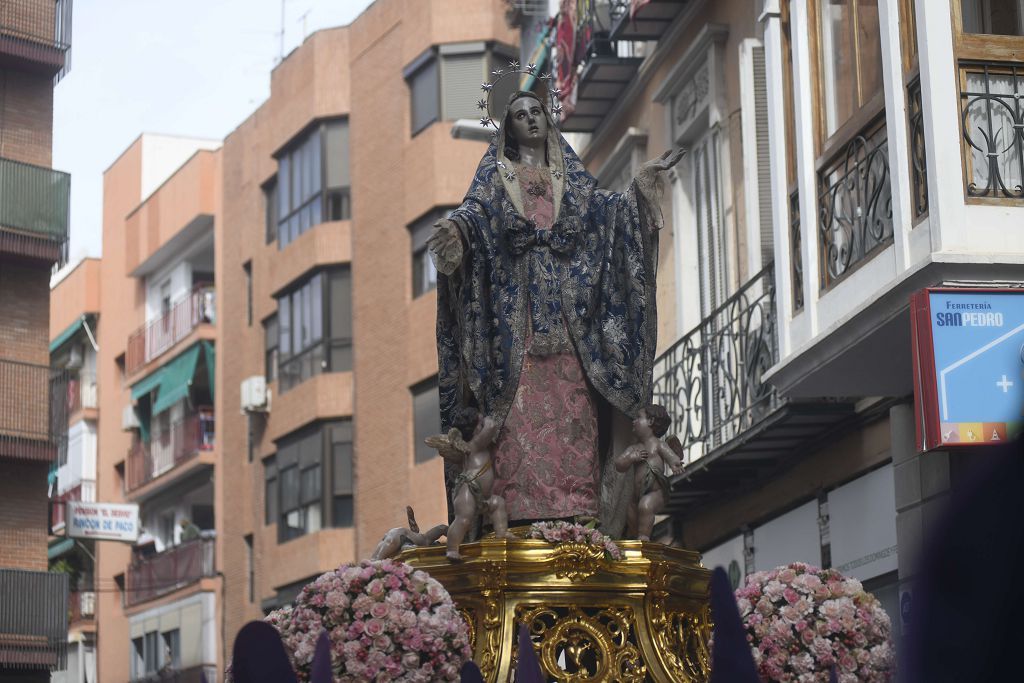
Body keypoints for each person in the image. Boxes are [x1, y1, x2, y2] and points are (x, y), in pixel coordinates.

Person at [429, 89, 683, 536]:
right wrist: (456, 231)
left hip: (571, 330)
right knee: (516, 418)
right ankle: (517, 519)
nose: (530, 120)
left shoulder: (573, 182)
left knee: (573, 417)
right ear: (508, 129)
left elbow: (606, 214)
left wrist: (638, 191)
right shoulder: (497, 177)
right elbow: (475, 215)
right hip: (517, 332)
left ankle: (579, 516)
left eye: (536, 112)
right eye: (520, 115)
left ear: (548, 120)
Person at [613, 404, 685, 540]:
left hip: (656, 493)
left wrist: (675, 465)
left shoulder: (659, 445)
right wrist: (630, 458)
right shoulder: (634, 448)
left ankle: (643, 537)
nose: (634, 421)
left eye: (639, 417)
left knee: (645, 506)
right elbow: (619, 464)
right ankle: (634, 536)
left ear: (651, 422)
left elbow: (671, 456)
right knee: (631, 513)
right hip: (636, 495)